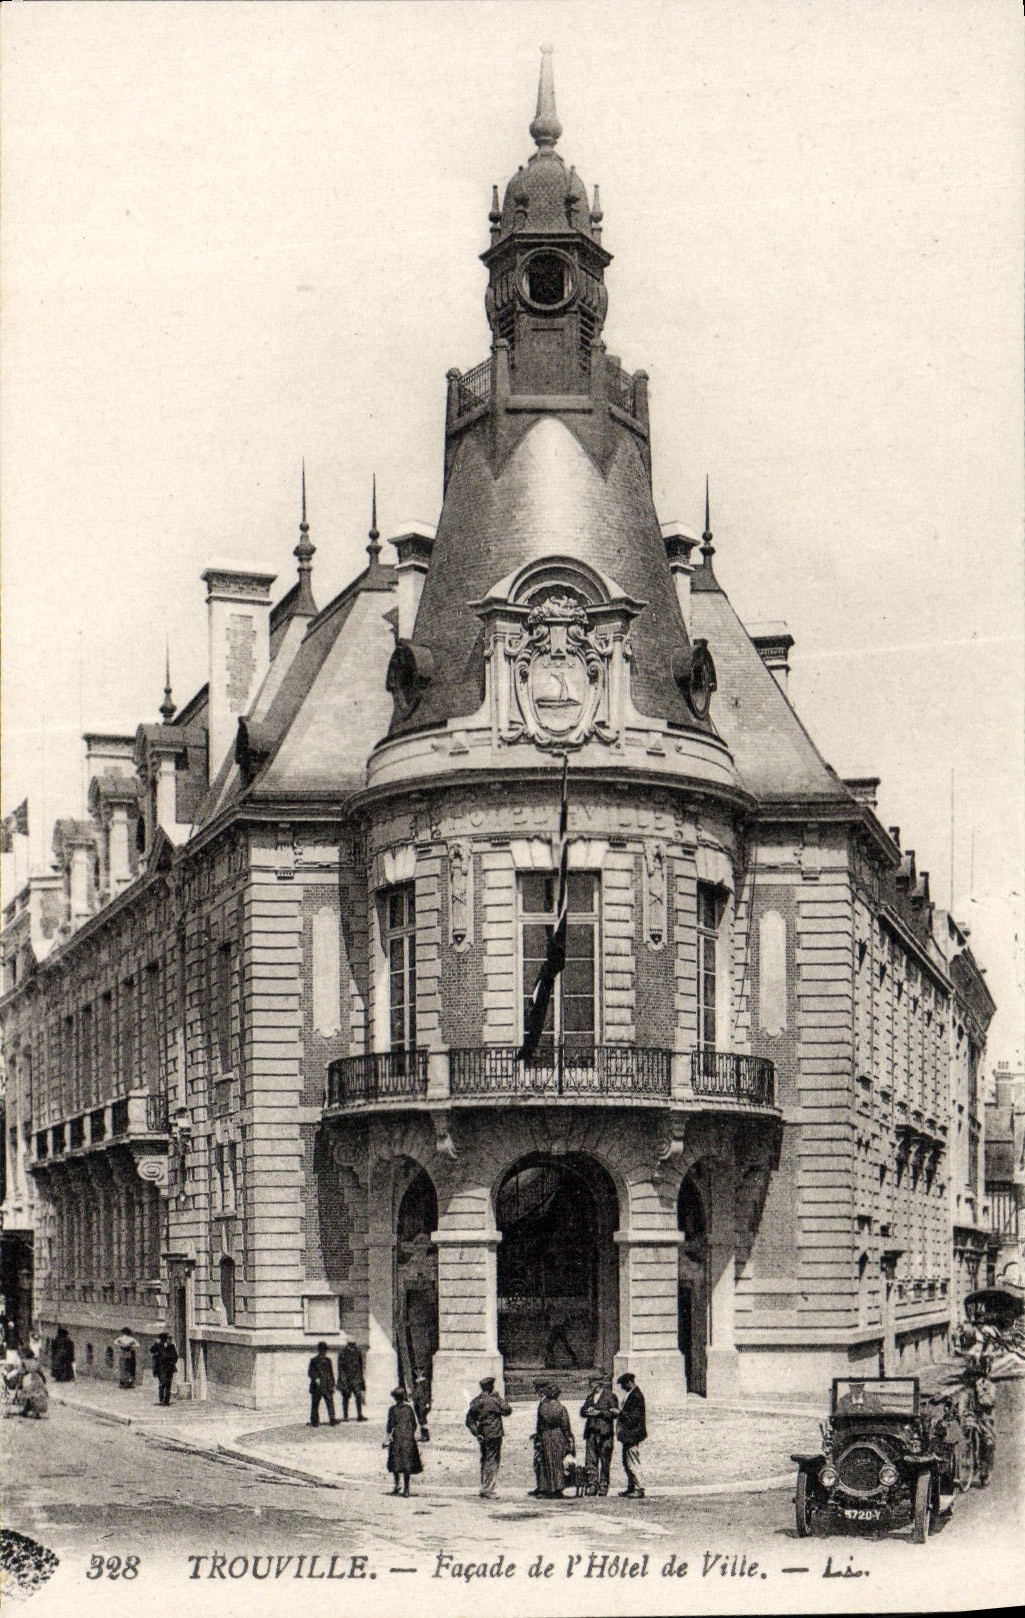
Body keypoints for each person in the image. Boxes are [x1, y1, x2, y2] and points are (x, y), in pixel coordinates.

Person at [465, 1375, 512, 1498]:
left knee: (485, 1459)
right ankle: (488, 1489)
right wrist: (500, 1398)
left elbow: (469, 1420)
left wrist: (477, 1433)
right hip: (494, 1433)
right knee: (493, 1460)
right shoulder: (494, 1400)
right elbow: (507, 1410)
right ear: (490, 1387)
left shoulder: (476, 1400)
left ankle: (484, 1486)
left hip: (483, 1434)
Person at [531, 1382, 575, 1499]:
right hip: (557, 1435)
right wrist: (569, 1438)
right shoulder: (561, 1408)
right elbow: (565, 1426)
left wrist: (539, 1437)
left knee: (545, 1461)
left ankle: (544, 1488)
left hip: (545, 1435)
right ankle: (557, 1488)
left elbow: (539, 1425)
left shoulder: (543, 1407)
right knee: (557, 1461)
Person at [580, 1372, 619, 1496]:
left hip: (605, 1433)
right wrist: (588, 1410)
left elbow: (614, 1413)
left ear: (598, 1383)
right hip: (591, 1432)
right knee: (590, 1460)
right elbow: (582, 1411)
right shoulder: (590, 1397)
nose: (590, 1385)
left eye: (591, 1382)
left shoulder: (610, 1396)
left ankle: (603, 1485)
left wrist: (600, 1413)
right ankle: (592, 1484)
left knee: (605, 1460)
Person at [384, 1386, 422, 1496]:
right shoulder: (409, 1409)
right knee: (407, 1464)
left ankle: (397, 1485)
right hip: (408, 1438)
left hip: (397, 1438)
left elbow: (389, 1426)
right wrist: (410, 1434)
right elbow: (414, 1424)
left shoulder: (392, 1409)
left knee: (395, 1462)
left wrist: (387, 1438)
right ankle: (406, 1489)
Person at [616, 1371, 647, 1497]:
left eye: (623, 1384)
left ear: (629, 1382)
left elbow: (634, 1418)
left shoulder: (636, 1396)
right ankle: (631, 1486)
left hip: (633, 1434)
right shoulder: (631, 1394)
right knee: (626, 1462)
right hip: (628, 1435)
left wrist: (619, 1413)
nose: (622, 1387)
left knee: (633, 1462)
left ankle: (639, 1488)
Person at [307, 1342, 339, 1427]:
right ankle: (314, 1421)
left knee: (330, 1403)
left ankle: (332, 1419)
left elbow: (331, 1373)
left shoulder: (328, 1361)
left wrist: (332, 1384)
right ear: (319, 1350)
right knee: (315, 1404)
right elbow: (310, 1372)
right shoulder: (313, 1360)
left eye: (324, 1350)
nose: (323, 1352)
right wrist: (315, 1378)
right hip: (317, 1386)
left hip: (327, 1386)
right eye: (322, 1350)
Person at [336, 1337, 366, 1421]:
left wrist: (361, 1379)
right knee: (345, 1397)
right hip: (346, 1379)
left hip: (356, 1379)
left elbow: (360, 1366)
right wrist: (343, 1379)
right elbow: (341, 1368)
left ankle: (359, 1415)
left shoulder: (358, 1352)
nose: (353, 1346)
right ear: (348, 1345)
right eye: (351, 1345)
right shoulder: (342, 1353)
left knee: (358, 1396)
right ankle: (345, 1416)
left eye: (354, 1344)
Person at [150, 1332, 179, 1406]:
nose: (162, 1340)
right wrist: (155, 1344)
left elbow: (175, 1356)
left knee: (168, 1384)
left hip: (169, 1367)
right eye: (161, 1338)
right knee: (162, 1383)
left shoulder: (171, 1346)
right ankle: (161, 1399)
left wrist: (172, 1362)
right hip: (160, 1367)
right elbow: (152, 1350)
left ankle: (166, 1400)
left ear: (166, 1339)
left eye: (164, 1338)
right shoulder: (158, 1345)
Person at [17, 1355, 49, 1419]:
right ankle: (34, 1412)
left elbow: (21, 1373)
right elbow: (41, 1373)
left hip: (29, 1380)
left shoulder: (23, 1362)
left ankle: (27, 1410)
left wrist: (19, 1384)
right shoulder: (36, 1362)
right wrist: (44, 1382)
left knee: (27, 1395)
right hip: (38, 1380)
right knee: (36, 1396)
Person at [412, 1372, 432, 1442]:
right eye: (416, 1370)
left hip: (423, 1403)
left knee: (423, 1419)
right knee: (420, 1419)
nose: (418, 1372)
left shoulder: (424, 1381)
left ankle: (426, 1435)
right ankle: (423, 1434)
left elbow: (427, 1393)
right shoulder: (416, 1381)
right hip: (417, 1402)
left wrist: (427, 1402)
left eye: (420, 1370)